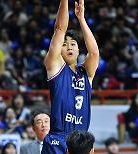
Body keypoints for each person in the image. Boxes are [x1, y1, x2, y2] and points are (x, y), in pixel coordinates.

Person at [41, 0, 99, 153]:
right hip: (58, 137)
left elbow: (94, 53)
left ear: (79, 50)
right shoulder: (55, 66)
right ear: (59, 50)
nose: (69, 46)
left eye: (73, 44)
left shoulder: (86, 72)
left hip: (81, 140)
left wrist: (81, 18)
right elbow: (60, 28)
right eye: (64, 44)